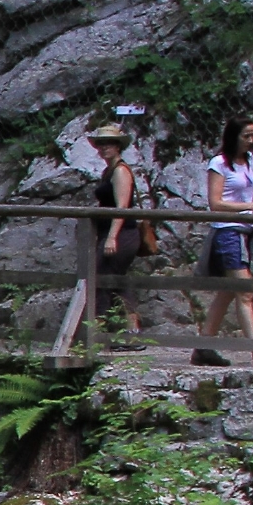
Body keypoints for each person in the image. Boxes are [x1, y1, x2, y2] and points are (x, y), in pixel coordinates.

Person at [193, 117, 253, 368]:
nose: (252, 141)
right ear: (234, 136)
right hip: (228, 231)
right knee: (245, 290)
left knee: (229, 291)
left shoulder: (250, 162)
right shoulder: (219, 164)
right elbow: (216, 203)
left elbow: (247, 191)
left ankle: (203, 347)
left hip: (246, 231)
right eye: (246, 136)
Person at [85, 125, 155, 342]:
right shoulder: (109, 171)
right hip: (113, 232)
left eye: (109, 143)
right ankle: (129, 332)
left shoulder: (121, 171)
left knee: (104, 280)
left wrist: (112, 236)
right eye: (101, 144)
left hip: (122, 234)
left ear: (118, 147)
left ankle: (101, 333)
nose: (104, 148)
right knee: (116, 281)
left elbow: (122, 207)